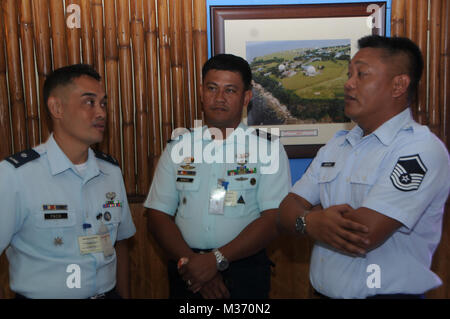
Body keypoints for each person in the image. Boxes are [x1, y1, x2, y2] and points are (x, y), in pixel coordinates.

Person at [279, 35, 450, 299]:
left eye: (362, 75)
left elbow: (363, 234)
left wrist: (308, 217)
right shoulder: (337, 145)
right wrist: (312, 220)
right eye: (349, 74)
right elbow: (286, 210)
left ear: (398, 85)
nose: (348, 84)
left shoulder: (419, 149)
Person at [144, 53, 291, 299]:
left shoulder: (268, 149)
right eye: (212, 88)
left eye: (230, 90)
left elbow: (273, 218)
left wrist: (216, 260)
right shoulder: (178, 147)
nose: (219, 98)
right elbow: (158, 215)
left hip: (244, 274)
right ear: (201, 93)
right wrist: (194, 264)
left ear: (246, 97)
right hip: (186, 273)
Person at [0, 64, 136, 299]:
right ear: (56, 107)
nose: (101, 112)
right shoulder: (16, 176)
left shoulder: (111, 171)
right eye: (89, 102)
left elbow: (121, 242)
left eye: (103, 103)